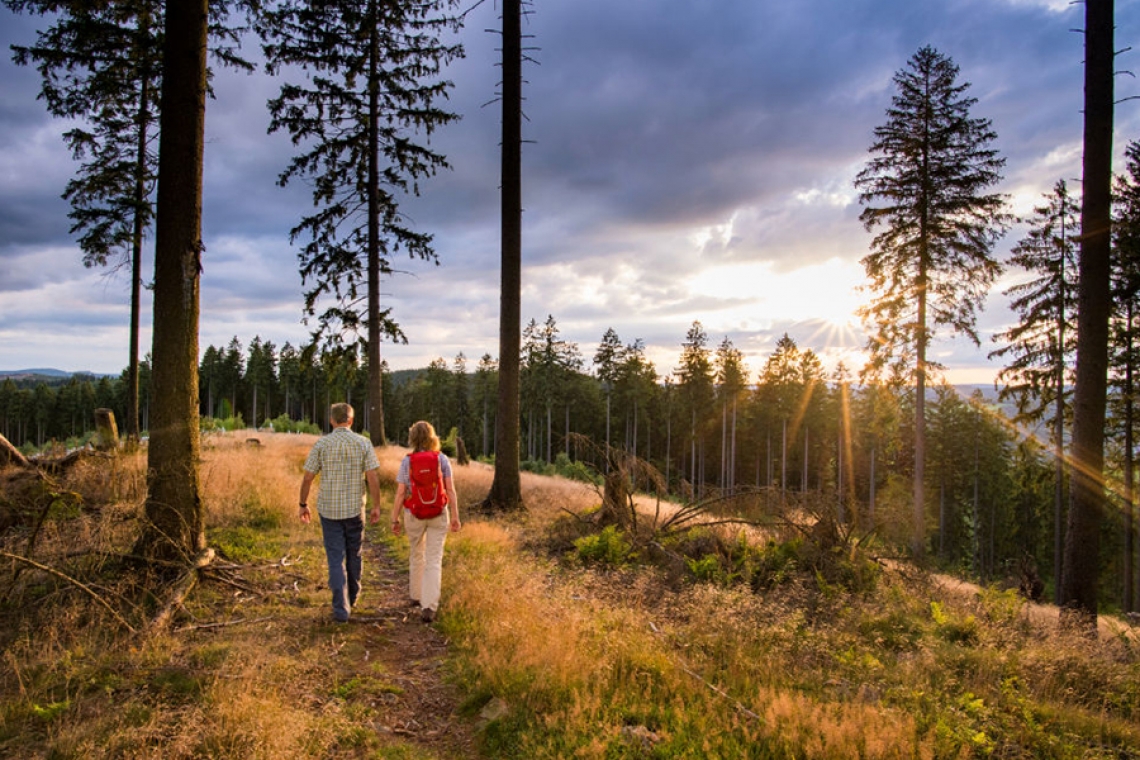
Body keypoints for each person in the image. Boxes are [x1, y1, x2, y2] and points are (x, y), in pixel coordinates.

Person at [299, 403, 381, 623]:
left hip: (329, 511)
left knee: (336, 559)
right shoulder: (363, 443)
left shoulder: (322, 445)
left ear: (332, 421)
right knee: (354, 554)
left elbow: (308, 477)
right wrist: (376, 505)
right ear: (351, 421)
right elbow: (372, 476)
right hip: (355, 510)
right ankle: (352, 597)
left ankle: (341, 609)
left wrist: (302, 503)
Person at [382, 420, 460, 623]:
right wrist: (456, 516)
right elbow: (450, 490)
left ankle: (416, 596)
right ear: (433, 438)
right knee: (434, 560)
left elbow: (400, 493)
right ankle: (429, 606)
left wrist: (394, 519)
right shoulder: (441, 459)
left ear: (412, 439)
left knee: (416, 552)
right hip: (438, 513)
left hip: (414, 513)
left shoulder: (407, 461)